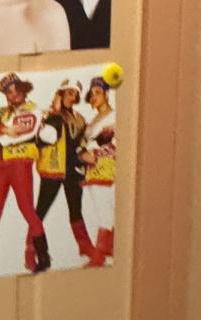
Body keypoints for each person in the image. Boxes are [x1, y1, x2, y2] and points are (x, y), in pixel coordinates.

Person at [0, 73, 51, 278]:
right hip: (0, 165)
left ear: (23, 90)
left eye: (15, 90)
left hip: (20, 164)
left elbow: (13, 137)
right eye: (8, 92)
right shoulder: (3, 112)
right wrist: (1, 129)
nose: (12, 95)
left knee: (27, 210)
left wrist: (0, 131)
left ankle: (44, 257)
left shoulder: (33, 110)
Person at [25, 78, 96, 270]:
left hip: (73, 170)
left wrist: (84, 155)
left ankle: (86, 247)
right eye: (68, 92)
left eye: (75, 93)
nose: (72, 97)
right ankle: (31, 251)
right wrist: (55, 112)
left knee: (76, 210)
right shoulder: (48, 115)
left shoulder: (79, 118)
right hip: (53, 169)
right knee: (40, 212)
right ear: (60, 94)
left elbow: (83, 141)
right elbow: (45, 138)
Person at [79, 77, 116, 266]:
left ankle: (99, 255)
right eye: (91, 94)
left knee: (104, 212)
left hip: (107, 167)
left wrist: (93, 152)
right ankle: (110, 248)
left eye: (98, 93)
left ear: (107, 94)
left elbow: (115, 144)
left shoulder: (114, 116)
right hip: (92, 169)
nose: (94, 97)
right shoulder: (91, 122)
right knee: (102, 209)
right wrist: (83, 154)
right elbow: (83, 146)